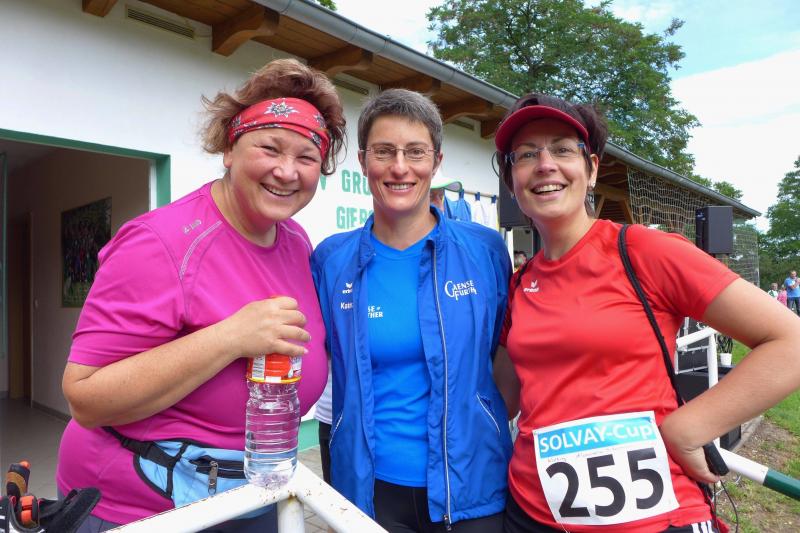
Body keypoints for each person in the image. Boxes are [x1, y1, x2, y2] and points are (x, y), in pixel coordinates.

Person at [57, 58, 346, 531]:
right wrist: (229, 338)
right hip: (140, 507)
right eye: (269, 148)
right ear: (230, 148)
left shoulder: (296, 241)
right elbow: (85, 398)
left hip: (253, 489)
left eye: (306, 157)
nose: (286, 171)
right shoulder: (159, 242)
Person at [491, 93, 800, 533]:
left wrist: (690, 427)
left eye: (562, 149)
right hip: (532, 515)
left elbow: (791, 343)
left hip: (654, 518)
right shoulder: (519, 283)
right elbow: (499, 399)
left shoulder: (644, 251)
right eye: (526, 154)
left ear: (591, 169)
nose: (544, 165)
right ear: (511, 180)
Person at [311, 89, 512, 532]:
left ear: (436, 161)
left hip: (473, 488)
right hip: (370, 489)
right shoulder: (331, 260)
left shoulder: (485, 251)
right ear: (363, 161)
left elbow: (502, 350)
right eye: (384, 151)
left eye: (415, 152)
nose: (400, 167)